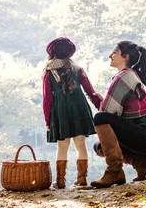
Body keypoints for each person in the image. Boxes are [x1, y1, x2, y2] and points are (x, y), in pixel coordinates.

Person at [90, 41, 146, 188]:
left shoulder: (123, 76)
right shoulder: (130, 75)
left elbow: (107, 113)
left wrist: (100, 103)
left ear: (125, 56)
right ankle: (142, 164)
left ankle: (114, 171)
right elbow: (113, 114)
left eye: (114, 53)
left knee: (100, 118)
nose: (110, 56)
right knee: (99, 146)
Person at [43, 37, 103, 188]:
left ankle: (61, 181)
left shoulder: (49, 72)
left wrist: (47, 120)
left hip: (60, 110)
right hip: (79, 108)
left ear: (52, 53)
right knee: (80, 144)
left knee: (62, 145)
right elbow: (91, 92)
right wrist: (100, 107)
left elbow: (47, 99)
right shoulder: (78, 69)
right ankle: (82, 179)